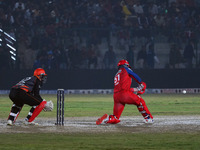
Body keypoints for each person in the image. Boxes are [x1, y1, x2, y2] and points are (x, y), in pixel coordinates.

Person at [96, 60, 153, 125]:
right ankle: (148, 118)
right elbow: (135, 76)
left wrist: (136, 89)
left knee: (116, 117)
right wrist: (140, 83)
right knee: (140, 101)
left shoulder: (117, 73)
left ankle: (106, 118)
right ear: (126, 65)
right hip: (124, 94)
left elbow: (125, 88)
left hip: (116, 96)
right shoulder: (125, 69)